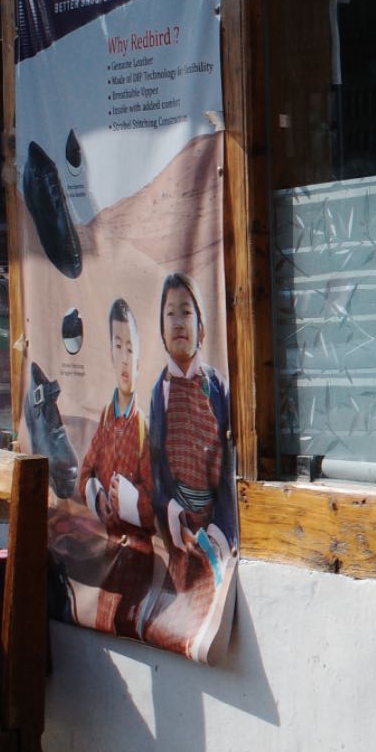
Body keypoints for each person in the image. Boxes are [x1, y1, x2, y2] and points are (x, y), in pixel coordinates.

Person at [141, 272, 236, 652]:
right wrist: (173, 515)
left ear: (202, 326)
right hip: (179, 532)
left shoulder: (218, 387)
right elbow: (157, 473)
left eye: (187, 312)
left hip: (215, 527)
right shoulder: (158, 394)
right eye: (170, 314)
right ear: (161, 329)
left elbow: (229, 466)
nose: (179, 322)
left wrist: (221, 531)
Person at [71, 298, 158, 637]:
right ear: (109, 352)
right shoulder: (107, 418)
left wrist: (128, 501)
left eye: (131, 349)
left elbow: (153, 508)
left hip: (137, 561)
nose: (124, 358)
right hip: (107, 553)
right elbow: (85, 473)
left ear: (139, 359)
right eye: (118, 346)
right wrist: (96, 497)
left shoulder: (144, 428)